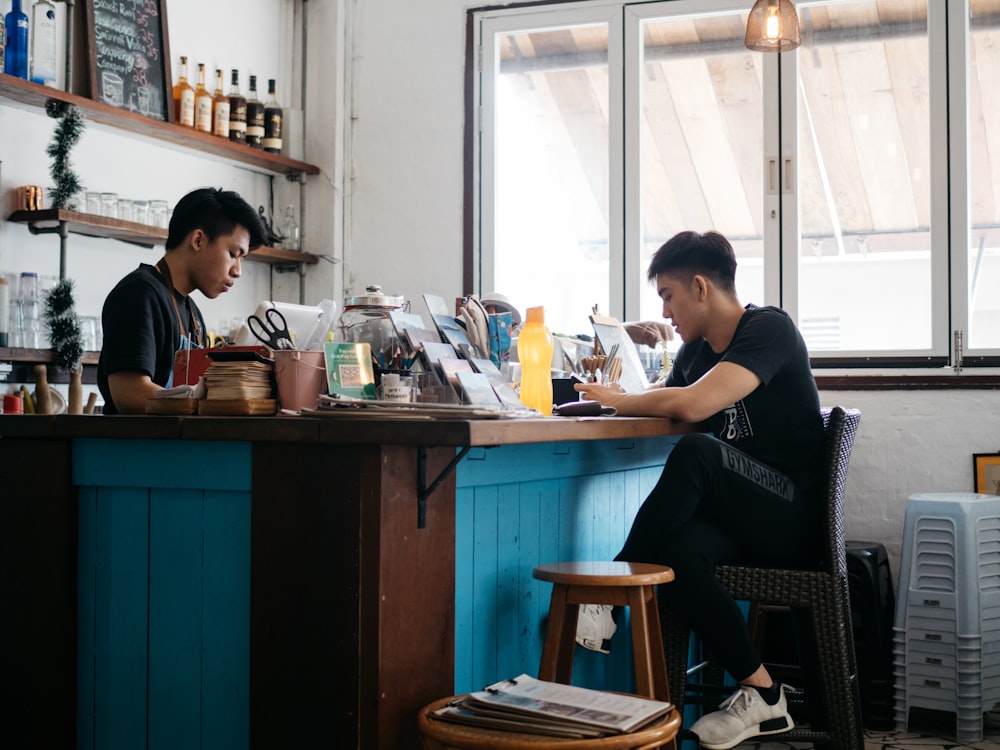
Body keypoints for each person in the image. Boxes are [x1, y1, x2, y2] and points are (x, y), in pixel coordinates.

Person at [573, 230, 826, 750]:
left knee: (699, 453)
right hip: (743, 521)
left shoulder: (769, 330)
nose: (665, 312)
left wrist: (618, 401)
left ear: (700, 286)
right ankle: (763, 694)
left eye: (668, 295)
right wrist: (621, 397)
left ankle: (612, 595)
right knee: (677, 549)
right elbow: (669, 396)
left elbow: (688, 406)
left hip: (791, 518)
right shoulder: (693, 354)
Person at [97, 187, 268, 415]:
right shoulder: (139, 294)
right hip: (135, 448)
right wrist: (205, 405)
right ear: (198, 240)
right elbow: (128, 394)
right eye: (233, 254)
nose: (238, 271)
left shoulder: (193, 314)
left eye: (242, 259)